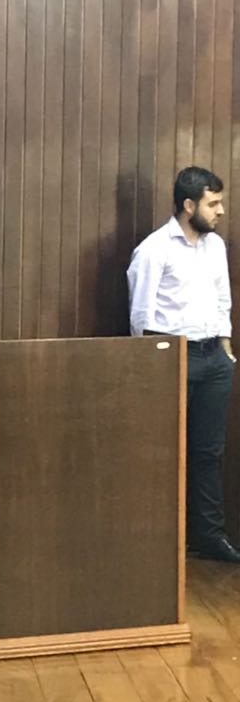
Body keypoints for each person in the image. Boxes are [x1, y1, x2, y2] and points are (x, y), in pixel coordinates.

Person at [127, 166, 239, 563]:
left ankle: (209, 536)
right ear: (189, 205)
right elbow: (141, 315)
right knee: (163, 450)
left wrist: (226, 349)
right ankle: (157, 540)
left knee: (209, 451)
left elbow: (223, 299)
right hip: (173, 356)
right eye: (213, 203)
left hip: (214, 358)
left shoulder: (215, 246)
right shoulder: (154, 249)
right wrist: (153, 362)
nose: (220, 211)